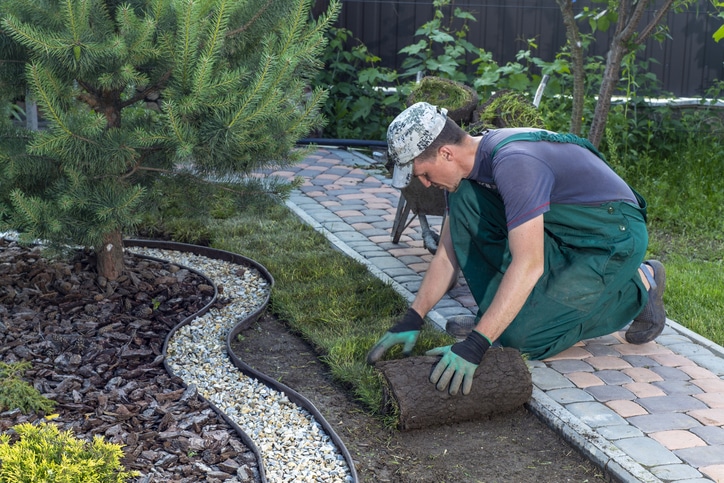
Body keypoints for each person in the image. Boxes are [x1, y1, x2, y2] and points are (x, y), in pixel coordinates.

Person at [367, 102, 666, 396]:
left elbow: (529, 264)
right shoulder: (470, 170)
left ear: (445, 153)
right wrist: (414, 315)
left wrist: (477, 343)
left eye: (424, 173)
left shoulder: (514, 163)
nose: (426, 184)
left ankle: (639, 284)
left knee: (520, 339)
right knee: (465, 200)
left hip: (610, 239)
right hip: (562, 231)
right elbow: (448, 253)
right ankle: (503, 314)